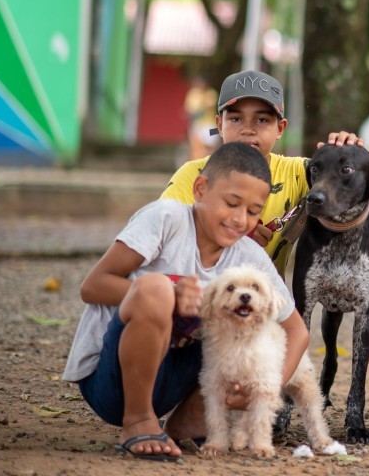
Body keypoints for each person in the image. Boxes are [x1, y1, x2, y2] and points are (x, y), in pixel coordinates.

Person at [62, 142, 308, 461]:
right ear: (201, 189)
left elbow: (296, 331)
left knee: (249, 330)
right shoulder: (167, 219)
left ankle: (184, 423)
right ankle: (137, 420)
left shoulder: (249, 258)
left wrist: (267, 388)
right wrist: (168, 295)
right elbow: (92, 286)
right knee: (157, 290)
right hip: (111, 380)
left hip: (174, 382)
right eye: (232, 203)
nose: (239, 219)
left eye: (253, 211)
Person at [161, 69, 359, 276]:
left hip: (267, 300)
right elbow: (163, 240)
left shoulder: (299, 173)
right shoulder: (193, 175)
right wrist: (233, 241)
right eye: (236, 119)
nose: (248, 129)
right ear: (219, 125)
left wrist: (349, 158)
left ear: (280, 128)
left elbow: (365, 190)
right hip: (199, 295)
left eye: (262, 120)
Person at [183, 75, 219, 161]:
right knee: (197, 147)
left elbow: (207, 107)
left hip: (210, 125)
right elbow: (188, 108)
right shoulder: (193, 94)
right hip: (197, 125)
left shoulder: (211, 93)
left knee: (211, 146)